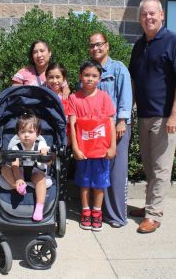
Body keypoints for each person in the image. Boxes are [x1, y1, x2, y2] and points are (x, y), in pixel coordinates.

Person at [129, 0, 176, 233]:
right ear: (140, 19)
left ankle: (154, 215)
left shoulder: (172, 41)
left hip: (165, 116)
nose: (148, 18)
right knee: (149, 165)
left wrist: (174, 116)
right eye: (144, 14)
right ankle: (149, 205)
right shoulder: (139, 46)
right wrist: (130, 111)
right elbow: (134, 81)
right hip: (144, 114)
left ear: (162, 15)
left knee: (161, 167)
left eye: (152, 14)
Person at [88, 32, 132, 228]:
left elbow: (126, 96)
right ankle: (103, 212)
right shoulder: (90, 70)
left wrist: (122, 121)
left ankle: (117, 216)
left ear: (107, 46)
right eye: (92, 45)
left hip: (117, 127)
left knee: (117, 172)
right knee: (101, 170)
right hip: (97, 130)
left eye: (99, 44)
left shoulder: (118, 68)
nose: (95, 48)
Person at [69, 60, 116, 231]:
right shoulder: (74, 98)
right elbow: (73, 125)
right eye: (86, 75)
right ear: (80, 76)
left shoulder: (104, 97)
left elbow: (110, 123)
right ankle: (85, 211)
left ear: (99, 78)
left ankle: (97, 213)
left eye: (94, 76)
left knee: (100, 184)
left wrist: (112, 147)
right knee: (85, 183)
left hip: (101, 151)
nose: (90, 79)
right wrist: (75, 147)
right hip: (83, 151)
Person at [0, 112, 49, 221]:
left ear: (38, 133)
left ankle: (39, 207)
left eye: (30, 132)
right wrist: (18, 179)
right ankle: (17, 185)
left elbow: (48, 161)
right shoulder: (16, 147)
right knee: (4, 169)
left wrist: (44, 153)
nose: (26, 135)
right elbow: (15, 165)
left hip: (35, 172)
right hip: (19, 172)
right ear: (17, 134)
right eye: (22, 132)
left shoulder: (41, 145)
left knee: (41, 178)